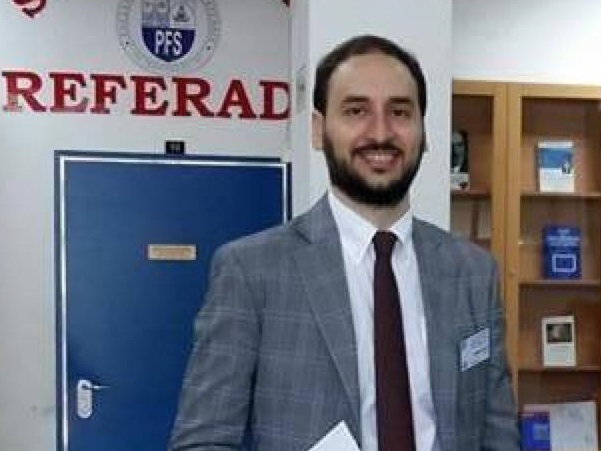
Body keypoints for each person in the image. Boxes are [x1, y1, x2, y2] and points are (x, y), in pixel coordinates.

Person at [169, 34, 519, 451]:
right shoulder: (252, 271)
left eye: (400, 112)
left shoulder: (473, 272)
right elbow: (203, 441)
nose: (381, 132)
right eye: (356, 111)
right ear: (319, 130)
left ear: (424, 132)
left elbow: (498, 437)